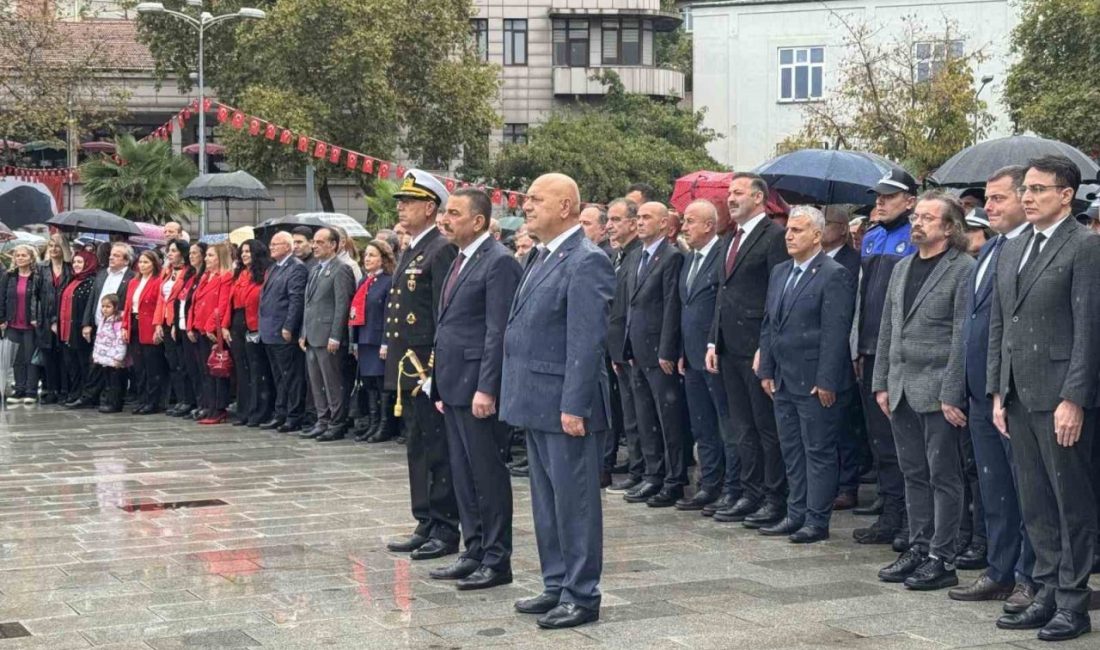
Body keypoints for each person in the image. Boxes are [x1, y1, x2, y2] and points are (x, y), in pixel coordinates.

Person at [988, 155, 1100, 642]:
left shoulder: (1084, 248)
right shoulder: (1012, 248)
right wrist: (998, 389)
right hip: (1017, 393)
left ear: (1066, 195)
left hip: (1059, 398)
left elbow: (1088, 330)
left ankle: (1074, 604)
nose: (1028, 197)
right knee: (1035, 503)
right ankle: (1048, 591)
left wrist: (1074, 397)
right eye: (1025, 190)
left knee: (1068, 502)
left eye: (1037, 189)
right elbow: (1001, 324)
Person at [501, 173, 614, 629]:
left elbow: (585, 341)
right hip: (536, 399)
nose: (526, 206)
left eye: (536, 199)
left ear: (566, 206)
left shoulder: (586, 260)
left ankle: (582, 594)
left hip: (566, 404)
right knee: (547, 502)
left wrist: (574, 404)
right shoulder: (542, 256)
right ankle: (556, 584)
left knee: (575, 503)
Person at [873, 191, 975, 590]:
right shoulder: (901, 268)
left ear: (949, 227)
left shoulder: (963, 269)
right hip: (900, 388)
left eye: (928, 218)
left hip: (937, 391)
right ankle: (917, 547)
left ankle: (942, 556)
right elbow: (888, 328)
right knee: (913, 472)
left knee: (943, 475)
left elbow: (962, 336)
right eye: (916, 217)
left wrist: (953, 392)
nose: (917, 223)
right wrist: (881, 381)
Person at [947, 166, 1037, 614]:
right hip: (979, 390)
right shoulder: (988, 252)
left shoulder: (1030, 252)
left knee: (1027, 490)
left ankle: (1030, 575)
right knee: (994, 487)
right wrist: (956, 385)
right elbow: (970, 326)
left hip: (1014, 393)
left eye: (999, 198)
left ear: (1026, 199)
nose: (989, 207)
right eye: (988, 198)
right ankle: (1000, 570)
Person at [429, 188, 522, 590]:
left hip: (477, 387)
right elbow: (449, 325)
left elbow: (497, 330)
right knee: (463, 475)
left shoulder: (498, 262)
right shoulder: (460, 258)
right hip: (453, 383)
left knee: (487, 475)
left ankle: (497, 559)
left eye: (453, 213)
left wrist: (488, 387)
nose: (444, 220)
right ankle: (474, 550)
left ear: (479, 221)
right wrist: (437, 380)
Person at [757, 205, 857, 543]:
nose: (788, 235)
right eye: (788, 230)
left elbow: (835, 332)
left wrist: (827, 379)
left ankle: (817, 519)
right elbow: (770, 323)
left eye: (797, 230)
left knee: (818, 450)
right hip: (784, 377)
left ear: (817, 235)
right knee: (792, 449)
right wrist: (767, 368)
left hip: (815, 380)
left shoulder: (834, 273)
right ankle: (795, 512)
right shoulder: (781, 271)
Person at [382, 170, 461, 560]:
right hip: (406, 365)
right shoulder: (414, 247)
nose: (401, 207)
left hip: (425, 364)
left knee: (436, 447)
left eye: (408, 201)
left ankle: (445, 526)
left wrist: (435, 369)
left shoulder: (441, 249)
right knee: (416, 444)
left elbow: (441, 314)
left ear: (430, 208)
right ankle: (425, 519)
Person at [705, 173, 790, 527]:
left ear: (759, 198)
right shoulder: (730, 238)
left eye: (738, 192)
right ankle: (749, 491)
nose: (730, 198)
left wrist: (765, 347)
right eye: (729, 192)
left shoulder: (774, 237)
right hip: (728, 346)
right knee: (741, 427)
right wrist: (713, 339)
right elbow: (722, 295)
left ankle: (774, 497)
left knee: (764, 427)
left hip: (755, 346)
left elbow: (777, 294)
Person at [854, 169, 918, 549]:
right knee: (879, 439)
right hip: (869, 349)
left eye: (889, 196)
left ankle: (910, 519)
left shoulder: (913, 237)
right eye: (878, 196)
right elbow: (864, 299)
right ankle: (890, 511)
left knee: (903, 441)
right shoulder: (873, 237)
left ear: (909, 200)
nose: (880, 202)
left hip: (898, 353)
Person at [677, 199, 741, 514]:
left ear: (708, 225)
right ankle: (709, 484)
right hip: (690, 356)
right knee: (702, 425)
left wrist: (712, 344)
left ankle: (732, 487)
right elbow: (684, 307)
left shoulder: (723, 255)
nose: (684, 227)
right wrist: (679, 351)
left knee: (724, 423)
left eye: (690, 221)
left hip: (714, 353)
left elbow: (720, 306)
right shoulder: (690, 259)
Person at [622, 201, 687, 507]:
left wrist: (667, 349)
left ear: (664, 224)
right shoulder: (636, 255)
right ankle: (653, 473)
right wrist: (627, 346)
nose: (640, 222)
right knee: (645, 416)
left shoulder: (672, 256)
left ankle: (673, 479)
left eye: (647, 217)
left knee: (667, 417)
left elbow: (672, 304)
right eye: (639, 217)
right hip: (637, 349)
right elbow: (631, 305)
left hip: (659, 351)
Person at [822, 205, 865, 511]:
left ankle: (847, 484)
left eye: (826, 224)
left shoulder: (852, 262)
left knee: (844, 423)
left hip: (842, 348)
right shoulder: (812, 261)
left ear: (841, 228)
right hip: (813, 350)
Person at [604, 198, 645, 495]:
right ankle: (638, 465)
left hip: (634, 347)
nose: (609, 226)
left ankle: (643, 467)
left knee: (640, 413)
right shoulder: (619, 256)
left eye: (616, 220)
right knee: (630, 412)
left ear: (632, 223)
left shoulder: (637, 255)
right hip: (617, 345)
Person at [299, 227, 355, 441]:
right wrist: (303, 331)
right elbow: (309, 303)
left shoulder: (341, 269)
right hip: (312, 334)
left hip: (327, 335)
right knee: (316, 381)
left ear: (333, 245)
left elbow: (342, 305)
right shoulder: (314, 270)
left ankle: (336, 422)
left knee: (332, 381)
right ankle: (322, 420)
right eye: (314, 241)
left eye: (320, 242)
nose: (315, 246)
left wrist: (336, 335)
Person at [68, 243, 134, 409]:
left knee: (115, 366)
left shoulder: (131, 277)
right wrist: (86, 323)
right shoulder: (102, 274)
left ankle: (113, 401)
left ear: (126, 261)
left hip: (117, 329)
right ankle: (90, 397)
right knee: (96, 363)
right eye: (111, 254)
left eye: (117, 255)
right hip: (99, 326)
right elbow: (93, 299)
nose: (111, 257)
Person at [258, 232, 308, 434]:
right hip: (269, 330)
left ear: (287, 247)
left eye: (275, 244)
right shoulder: (273, 267)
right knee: (278, 376)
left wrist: (289, 326)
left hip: (283, 331)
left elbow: (295, 300)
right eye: (270, 244)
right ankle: (280, 413)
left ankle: (294, 415)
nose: (271, 247)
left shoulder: (296, 268)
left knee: (291, 376)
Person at [350, 239, 395, 443]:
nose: (367, 259)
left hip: (378, 339)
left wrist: (386, 342)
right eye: (366, 255)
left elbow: (389, 313)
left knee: (380, 383)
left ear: (383, 259)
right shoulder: (364, 281)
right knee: (368, 383)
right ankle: (372, 421)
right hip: (365, 339)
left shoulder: (388, 281)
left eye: (372, 255)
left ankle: (384, 425)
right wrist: (356, 342)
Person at [229, 240, 273, 427]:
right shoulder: (240, 274)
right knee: (242, 369)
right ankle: (244, 410)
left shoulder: (264, 273)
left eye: (248, 251)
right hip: (237, 322)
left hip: (255, 323)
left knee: (257, 370)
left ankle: (259, 411)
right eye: (242, 251)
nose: (245, 254)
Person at [190, 243, 233, 425]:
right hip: (200, 327)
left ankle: (218, 408)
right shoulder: (205, 277)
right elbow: (196, 302)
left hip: (212, 330)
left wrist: (211, 327)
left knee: (217, 370)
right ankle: (209, 405)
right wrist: (191, 325)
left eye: (211, 256)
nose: (207, 259)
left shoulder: (225, 277)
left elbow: (222, 305)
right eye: (206, 255)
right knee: (205, 371)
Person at [155, 239, 197, 417]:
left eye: (173, 250)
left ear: (182, 253)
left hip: (177, 321)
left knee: (183, 363)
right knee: (173, 363)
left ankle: (188, 400)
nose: (169, 254)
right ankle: (180, 399)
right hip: (165, 321)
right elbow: (161, 299)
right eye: (168, 251)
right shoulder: (167, 272)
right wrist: (157, 323)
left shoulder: (188, 273)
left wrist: (172, 323)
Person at [121, 250, 166, 414]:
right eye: (140, 262)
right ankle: (142, 399)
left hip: (149, 325)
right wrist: (125, 326)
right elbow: (127, 306)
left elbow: (159, 306)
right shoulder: (133, 282)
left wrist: (157, 327)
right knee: (139, 366)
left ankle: (153, 401)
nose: (142, 265)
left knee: (152, 366)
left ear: (154, 264)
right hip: (134, 323)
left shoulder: (158, 281)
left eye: (146, 262)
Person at [34, 234, 72, 404]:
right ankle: (51, 389)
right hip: (44, 317)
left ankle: (65, 390)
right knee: (48, 355)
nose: (54, 249)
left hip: (64, 318)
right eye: (51, 246)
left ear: (63, 248)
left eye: (57, 246)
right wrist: (35, 317)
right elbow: (34, 295)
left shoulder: (69, 268)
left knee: (64, 356)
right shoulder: (41, 267)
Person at [1, 244, 41, 404]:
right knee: (17, 359)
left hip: (30, 325)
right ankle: (19, 389)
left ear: (31, 258)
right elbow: (1, 297)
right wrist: (1, 318)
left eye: (23, 255)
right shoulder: (9, 276)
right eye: (17, 255)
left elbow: (40, 300)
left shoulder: (37, 277)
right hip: (12, 323)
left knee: (30, 358)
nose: (20, 258)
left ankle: (30, 392)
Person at [58, 251, 98, 402]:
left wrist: (87, 325)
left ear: (88, 263)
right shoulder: (71, 280)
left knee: (83, 363)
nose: (76, 265)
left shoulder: (91, 282)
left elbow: (90, 306)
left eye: (80, 262)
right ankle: (74, 392)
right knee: (71, 364)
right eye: (74, 262)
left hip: (80, 330)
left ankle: (85, 395)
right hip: (66, 330)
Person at [90, 294, 127, 413]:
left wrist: (118, 357)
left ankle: (115, 404)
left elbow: (120, 341)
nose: (105, 309)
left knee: (115, 382)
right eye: (103, 306)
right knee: (108, 381)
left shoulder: (117, 322)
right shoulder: (103, 320)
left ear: (115, 307)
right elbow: (99, 339)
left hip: (114, 358)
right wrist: (96, 355)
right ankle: (108, 401)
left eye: (108, 306)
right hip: (104, 358)